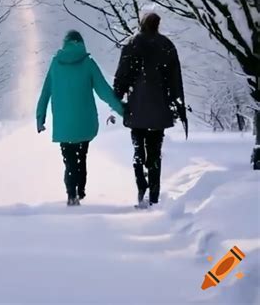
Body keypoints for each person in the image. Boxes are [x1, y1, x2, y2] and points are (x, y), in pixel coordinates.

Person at [36, 30, 124, 206]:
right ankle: (80, 190)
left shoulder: (56, 63)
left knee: (69, 160)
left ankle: (71, 193)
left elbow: (46, 91)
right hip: (84, 123)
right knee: (81, 156)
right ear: (81, 44)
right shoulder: (88, 63)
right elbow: (104, 91)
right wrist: (123, 110)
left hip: (64, 124)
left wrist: (40, 117)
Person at [113, 12, 186, 208]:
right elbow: (174, 79)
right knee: (155, 152)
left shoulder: (132, 44)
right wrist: (175, 105)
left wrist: (117, 97)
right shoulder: (167, 46)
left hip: (137, 108)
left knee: (138, 149)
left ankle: (141, 185)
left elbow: (123, 74)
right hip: (159, 109)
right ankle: (154, 194)